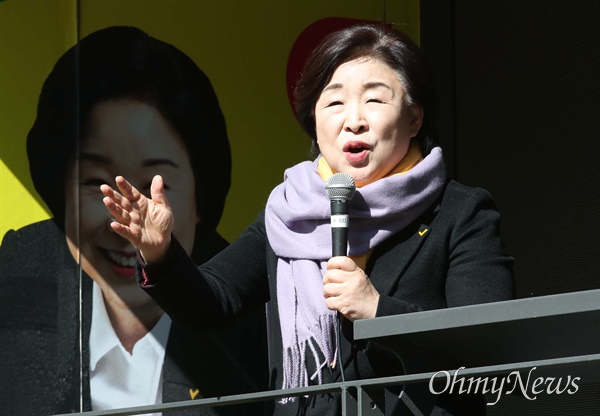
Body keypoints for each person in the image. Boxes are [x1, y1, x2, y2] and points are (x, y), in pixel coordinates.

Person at [101, 24, 515, 415]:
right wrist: (159, 254)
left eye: (374, 99)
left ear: (414, 118)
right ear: (315, 127)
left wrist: (377, 311)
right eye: (334, 102)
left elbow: (485, 344)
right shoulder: (288, 212)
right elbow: (214, 302)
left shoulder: (460, 212)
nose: (354, 120)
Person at [0, 26, 267, 415]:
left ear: (199, 196)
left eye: (155, 185)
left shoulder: (247, 312)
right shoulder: (22, 271)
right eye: (97, 183)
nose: (128, 221)